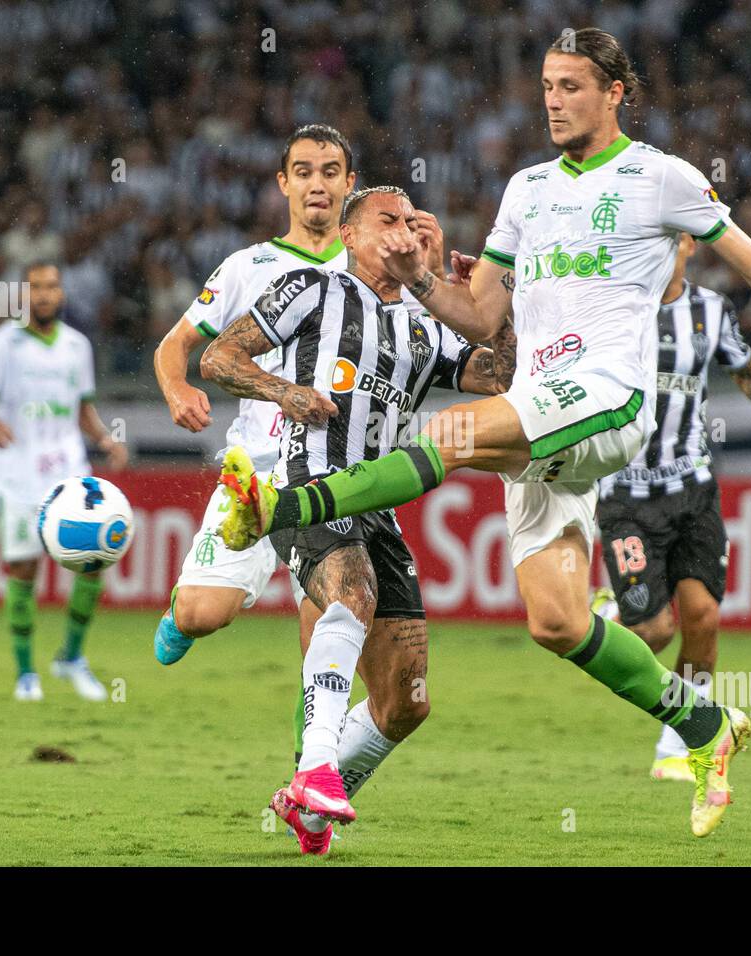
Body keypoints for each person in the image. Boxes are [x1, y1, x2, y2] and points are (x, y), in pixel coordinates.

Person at [218, 28, 751, 837]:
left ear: (617, 92)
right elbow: (478, 316)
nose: (553, 98)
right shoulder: (527, 190)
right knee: (556, 619)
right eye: (547, 84)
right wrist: (417, 281)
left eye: (572, 85)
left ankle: (276, 509)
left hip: (607, 397)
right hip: (543, 409)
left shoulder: (661, 178)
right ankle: (704, 727)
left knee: (452, 433)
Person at [201, 185, 502, 852]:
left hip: (376, 506)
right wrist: (287, 391)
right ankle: (313, 771)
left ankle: (309, 805)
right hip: (306, 484)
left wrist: (483, 306)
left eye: (411, 222)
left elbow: (504, 378)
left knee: (406, 703)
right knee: (352, 591)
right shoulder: (313, 288)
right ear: (350, 235)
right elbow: (218, 357)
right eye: (386, 221)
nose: (403, 232)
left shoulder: (429, 327)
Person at [591, 232, 751, 781]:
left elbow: (744, 372)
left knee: (702, 619)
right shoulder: (616, 308)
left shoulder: (711, 310)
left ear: (688, 246)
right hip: (626, 492)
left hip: (693, 490)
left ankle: (676, 744)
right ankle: (612, 610)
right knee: (652, 631)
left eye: (668, 241)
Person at [0, 261, 127, 701]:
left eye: (52, 286)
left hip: (69, 473)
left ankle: (70, 657)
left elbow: (82, 410)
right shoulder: (1, 344)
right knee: (24, 569)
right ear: (23, 295)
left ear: (62, 294)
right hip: (18, 473)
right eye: (36, 288)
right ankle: (25, 673)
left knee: (94, 562)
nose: (45, 295)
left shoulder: (77, 346)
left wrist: (106, 439)